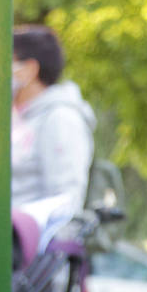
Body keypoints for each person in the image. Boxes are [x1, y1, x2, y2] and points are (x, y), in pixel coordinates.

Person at [11, 25, 96, 216]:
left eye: (8, 61)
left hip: (27, 241)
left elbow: (65, 200)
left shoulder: (61, 119)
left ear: (30, 69)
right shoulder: (17, 118)